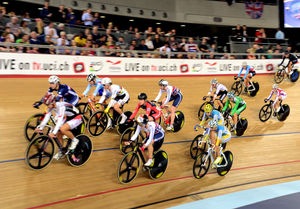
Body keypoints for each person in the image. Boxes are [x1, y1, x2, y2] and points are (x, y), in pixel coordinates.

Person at [34, 93, 82, 160]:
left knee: (62, 129)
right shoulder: (50, 106)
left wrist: (53, 133)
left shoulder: (61, 107)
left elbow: (59, 122)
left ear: (53, 103)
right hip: (68, 117)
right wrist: (40, 127)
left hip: (77, 117)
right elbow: (46, 118)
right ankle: (61, 151)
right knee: (58, 134)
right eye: (46, 105)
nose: (47, 106)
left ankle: (75, 140)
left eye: (48, 105)